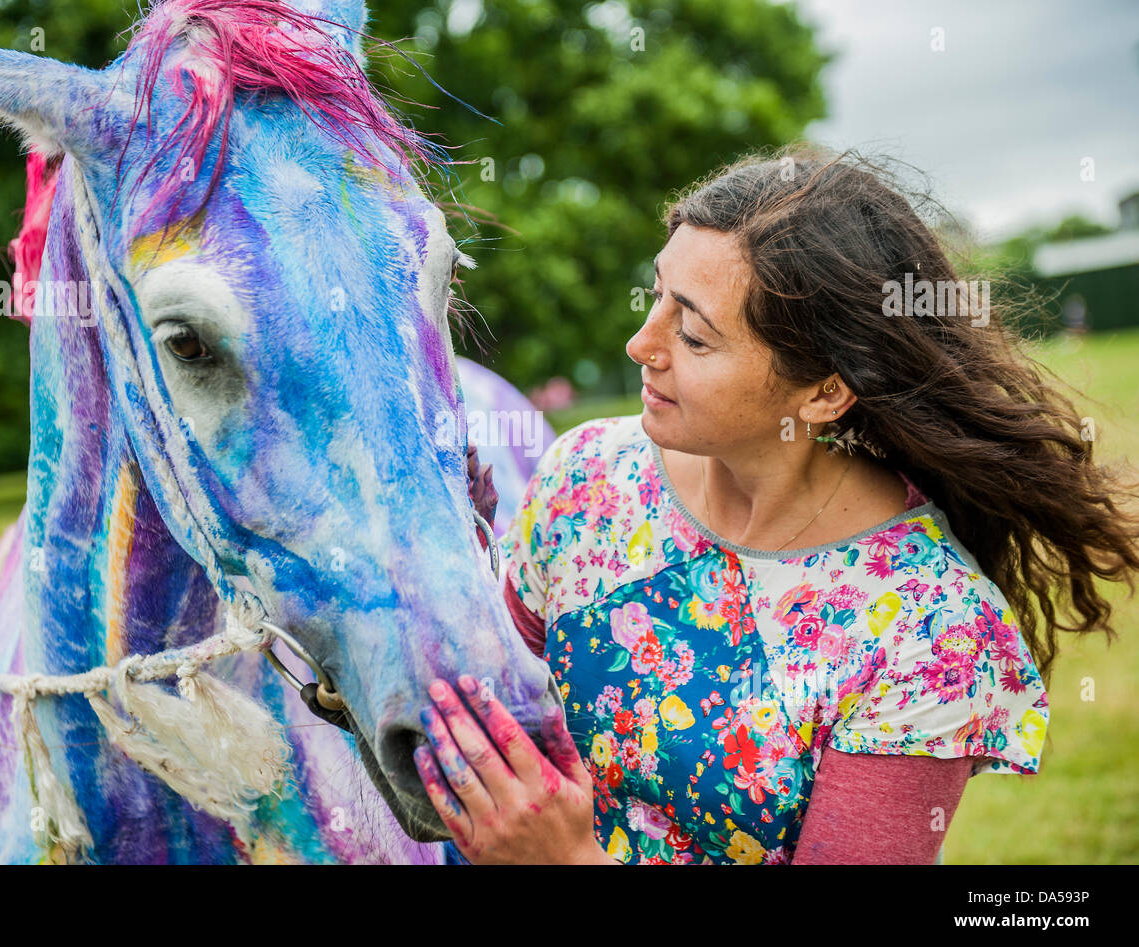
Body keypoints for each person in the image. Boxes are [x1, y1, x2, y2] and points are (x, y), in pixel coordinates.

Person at [414, 144, 1139, 865]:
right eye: (657, 292)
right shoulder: (588, 477)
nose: (642, 342)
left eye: (693, 335)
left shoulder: (930, 628)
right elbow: (471, 702)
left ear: (825, 390)